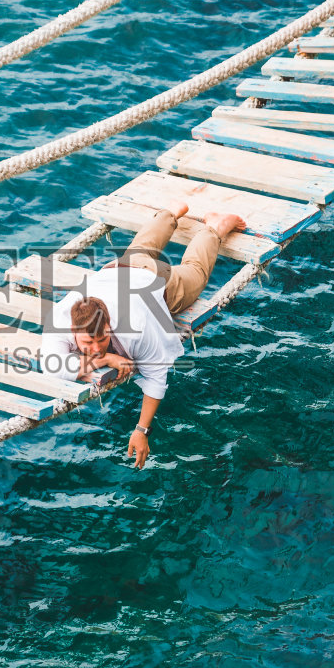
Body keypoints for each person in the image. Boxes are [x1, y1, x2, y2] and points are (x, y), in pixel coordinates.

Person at [40, 201, 246, 468]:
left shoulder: (134, 326)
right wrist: (106, 360)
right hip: (118, 269)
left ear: (110, 323)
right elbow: (51, 367)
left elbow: (156, 377)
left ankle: (215, 226)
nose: (96, 347)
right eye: (87, 342)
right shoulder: (59, 319)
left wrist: (142, 431)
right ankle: (169, 213)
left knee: (195, 272)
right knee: (138, 253)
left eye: (102, 339)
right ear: (73, 331)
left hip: (157, 283)